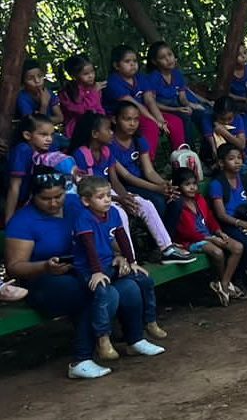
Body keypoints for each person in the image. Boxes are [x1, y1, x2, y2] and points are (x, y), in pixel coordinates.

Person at [5, 170, 114, 379]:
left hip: (81, 269)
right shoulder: (22, 222)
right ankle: (82, 358)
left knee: (119, 283)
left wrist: (118, 255)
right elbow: (15, 266)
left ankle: (129, 337)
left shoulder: (76, 204)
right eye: (45, 199)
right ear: (33, 196)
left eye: (58, 196)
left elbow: (102, 230)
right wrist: (45, 267)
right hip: (41, 282)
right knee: (83, 292)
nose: (54, 203)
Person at [70, 112, 193, 265]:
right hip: (93, 197)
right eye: (108, 129)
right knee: (120, 214)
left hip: (110, 192)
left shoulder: (106, 151)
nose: (111, 133)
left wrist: (125, 197)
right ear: (95, 134)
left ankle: (167, 249)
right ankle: (131, 259)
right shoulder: (82, 153)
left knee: (145, 204)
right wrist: (118, 200)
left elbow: (114, 180)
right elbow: (88, 188)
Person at [72, 176, 167, 360]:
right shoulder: (84, 219)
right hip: (90, 270)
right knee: (102, 292)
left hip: (109, 264)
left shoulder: (113, 213)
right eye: (101, 197)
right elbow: (89, 248)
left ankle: (150, 321)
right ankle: (103, 339)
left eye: (108, 195)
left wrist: (132, 262)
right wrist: (97, 271)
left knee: (144, 279)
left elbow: (122, 237)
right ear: (86, 200)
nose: (107, 199)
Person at [166, 167, 246, 306]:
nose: (192, 187)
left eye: (194, 184)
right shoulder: (177, 204)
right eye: (187, 184)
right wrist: (210, 239)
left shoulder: (199, 199)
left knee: (237, 247)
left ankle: (224, 284)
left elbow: (209, 218)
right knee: (217, 252)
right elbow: (187, 232)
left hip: (208, 235)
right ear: (178, 186)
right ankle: (224, 285)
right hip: (191, 241)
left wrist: (219, 232)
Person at [206, 143, 247, 294]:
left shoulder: (246, 180)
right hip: (229, 224)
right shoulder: (217, 184)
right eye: (231, 159)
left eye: (239, 158)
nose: (237, 162)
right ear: (222, 163)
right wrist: (243, 224)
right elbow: (221, 215)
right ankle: (239, 277)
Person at [102, 45, 168, 159]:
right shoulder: (113, 82)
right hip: (121, 117)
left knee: (175, 121)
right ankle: (147, 162)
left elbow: (149, 100)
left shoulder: (140, 77)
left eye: (134, 61)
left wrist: (161, 120)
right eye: (127, 61)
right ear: (116, 65)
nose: (132, 64)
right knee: (151, 125)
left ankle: (181, 156)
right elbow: (135, 105)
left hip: (141, 113)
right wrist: (155, 121)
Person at [144, 41, 212, 146]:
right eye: (163, 57)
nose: (168, 59)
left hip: (177, 106)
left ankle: (208, 152)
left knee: (203, 114)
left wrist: (190, 105)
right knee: (185, 116)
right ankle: (189, 152)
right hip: (163, 110)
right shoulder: (153, 78)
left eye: (170, 55)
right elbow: (152, 103)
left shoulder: (176, 73)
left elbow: (182, 98)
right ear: (154, 61)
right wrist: (177, 109)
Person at [60, 54, 106, 141]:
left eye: (92, 72)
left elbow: (98, 107)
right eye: (86, 74)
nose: (91, 76)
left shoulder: (94, 87)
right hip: (77, 130)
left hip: (97, 126)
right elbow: (82, 111)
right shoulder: (68, 92)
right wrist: (93, 93)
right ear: (74, 75)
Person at [16, 58, 64, 128]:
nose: (37, 81)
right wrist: (44, 104)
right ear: (23, 83)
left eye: (40, 76)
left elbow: (60, 118)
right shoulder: (22, 98)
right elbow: (34, 126)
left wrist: (40, 118)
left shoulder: (48, 93)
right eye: (30, 78)